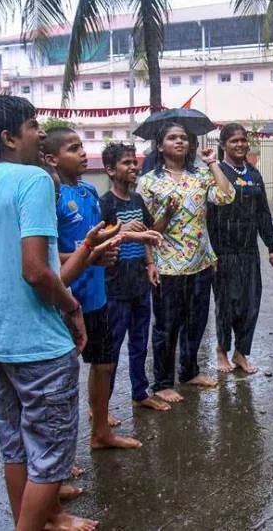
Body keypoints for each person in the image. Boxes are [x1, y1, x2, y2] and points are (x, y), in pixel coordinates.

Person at [0, 94, 100, 531]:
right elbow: (36, 271)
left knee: (15, 448)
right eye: (33, 126)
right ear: (9, 138)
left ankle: (33, 523)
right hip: (38, 343)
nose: (41, 133)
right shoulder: (33, 180)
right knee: (49, 457)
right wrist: (71, 308)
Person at [44, 127, 144, 450]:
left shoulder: (89, 192)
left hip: (98, 297)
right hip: (66, 300)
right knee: (61, 380)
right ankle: (57, 457)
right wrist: (89, 255)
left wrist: (111, 247)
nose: (83, 153)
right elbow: (45, 254)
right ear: (52, 159)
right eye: (73, 149)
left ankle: (100, 433)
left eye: (82, 147)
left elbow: (96, 241)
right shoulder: (52, 195)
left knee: (103, 365)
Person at [137, 123, 234, 403]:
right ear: (160, 145)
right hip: (167, 265)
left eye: (183, 138)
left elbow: (226, 196)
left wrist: (213, 164)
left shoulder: (200, 176)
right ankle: (163, 382)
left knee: (196, 323)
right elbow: (147, 230)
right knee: (166, 326)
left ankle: (189, 371)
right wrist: (150, 262)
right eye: (172, 138)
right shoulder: (149, 182)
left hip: (201, 262)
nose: (179, 142)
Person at [100, 143, 169, 412]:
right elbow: (97, 242)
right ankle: (101, 407)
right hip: (114, 287)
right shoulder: (105, 203)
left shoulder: (138, 201)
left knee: (140, 344)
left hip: (140, 283)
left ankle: (140, 393)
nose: (133, 167)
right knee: (112, 350)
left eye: (134, 162)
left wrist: (150, 263)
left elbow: (149, 234)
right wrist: (122, 229)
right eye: (126, 163)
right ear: (109, 169)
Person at [207, 123, 273, 375]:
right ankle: (221, 351)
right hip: (223, 251)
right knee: (227, 303)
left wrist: (271, 245)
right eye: (234, 141)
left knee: (250, 303)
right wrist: (210, 252)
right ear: (224, 145)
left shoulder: (254, 175)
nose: (240, 144)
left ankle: (241, 353)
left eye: (243, 140)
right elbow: (207, 214)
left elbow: (263, 212)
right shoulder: (217, 172)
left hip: (249, 250)